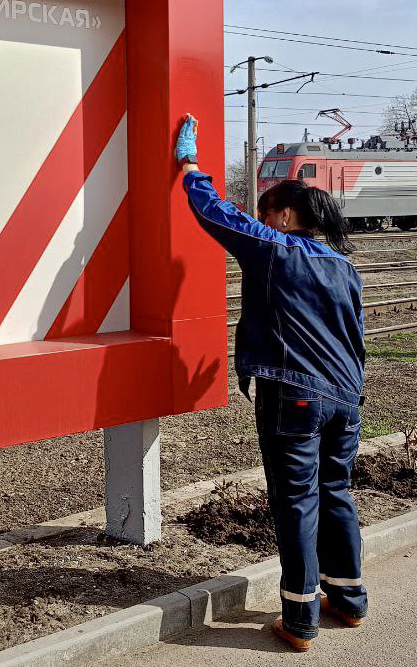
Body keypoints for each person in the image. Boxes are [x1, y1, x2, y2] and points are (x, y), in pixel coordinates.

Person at [176, 114, 367, 652]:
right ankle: (348, 600)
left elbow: (215, 212)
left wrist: (189, 165)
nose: (261, 220)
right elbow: (356, 336)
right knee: (335, 492)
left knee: (297, 501)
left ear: (283, 215)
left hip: (295, 395)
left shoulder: (275, 247)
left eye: (265, 213)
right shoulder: (344, 267)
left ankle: (300, 620)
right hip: (346, 398)